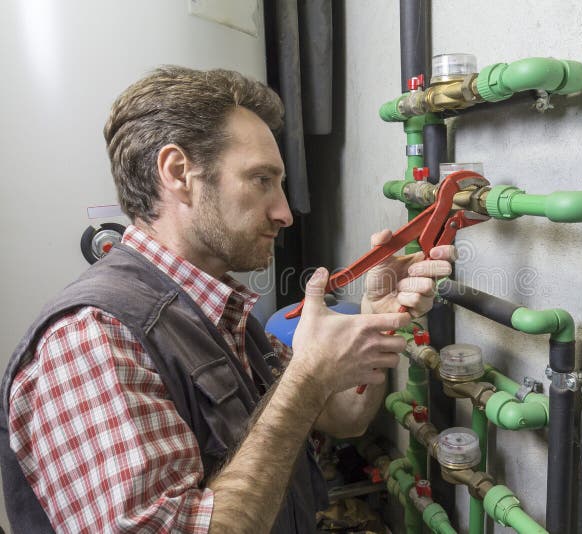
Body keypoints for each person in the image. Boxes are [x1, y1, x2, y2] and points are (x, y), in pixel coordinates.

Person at [0, 66, 454, 533]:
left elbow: (346, 416)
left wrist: (375, 321)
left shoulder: (220, 314)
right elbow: (304, 397)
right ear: (178, 173)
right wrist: (306, 377)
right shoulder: (91, 339)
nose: (283, 213)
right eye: (261, 180)